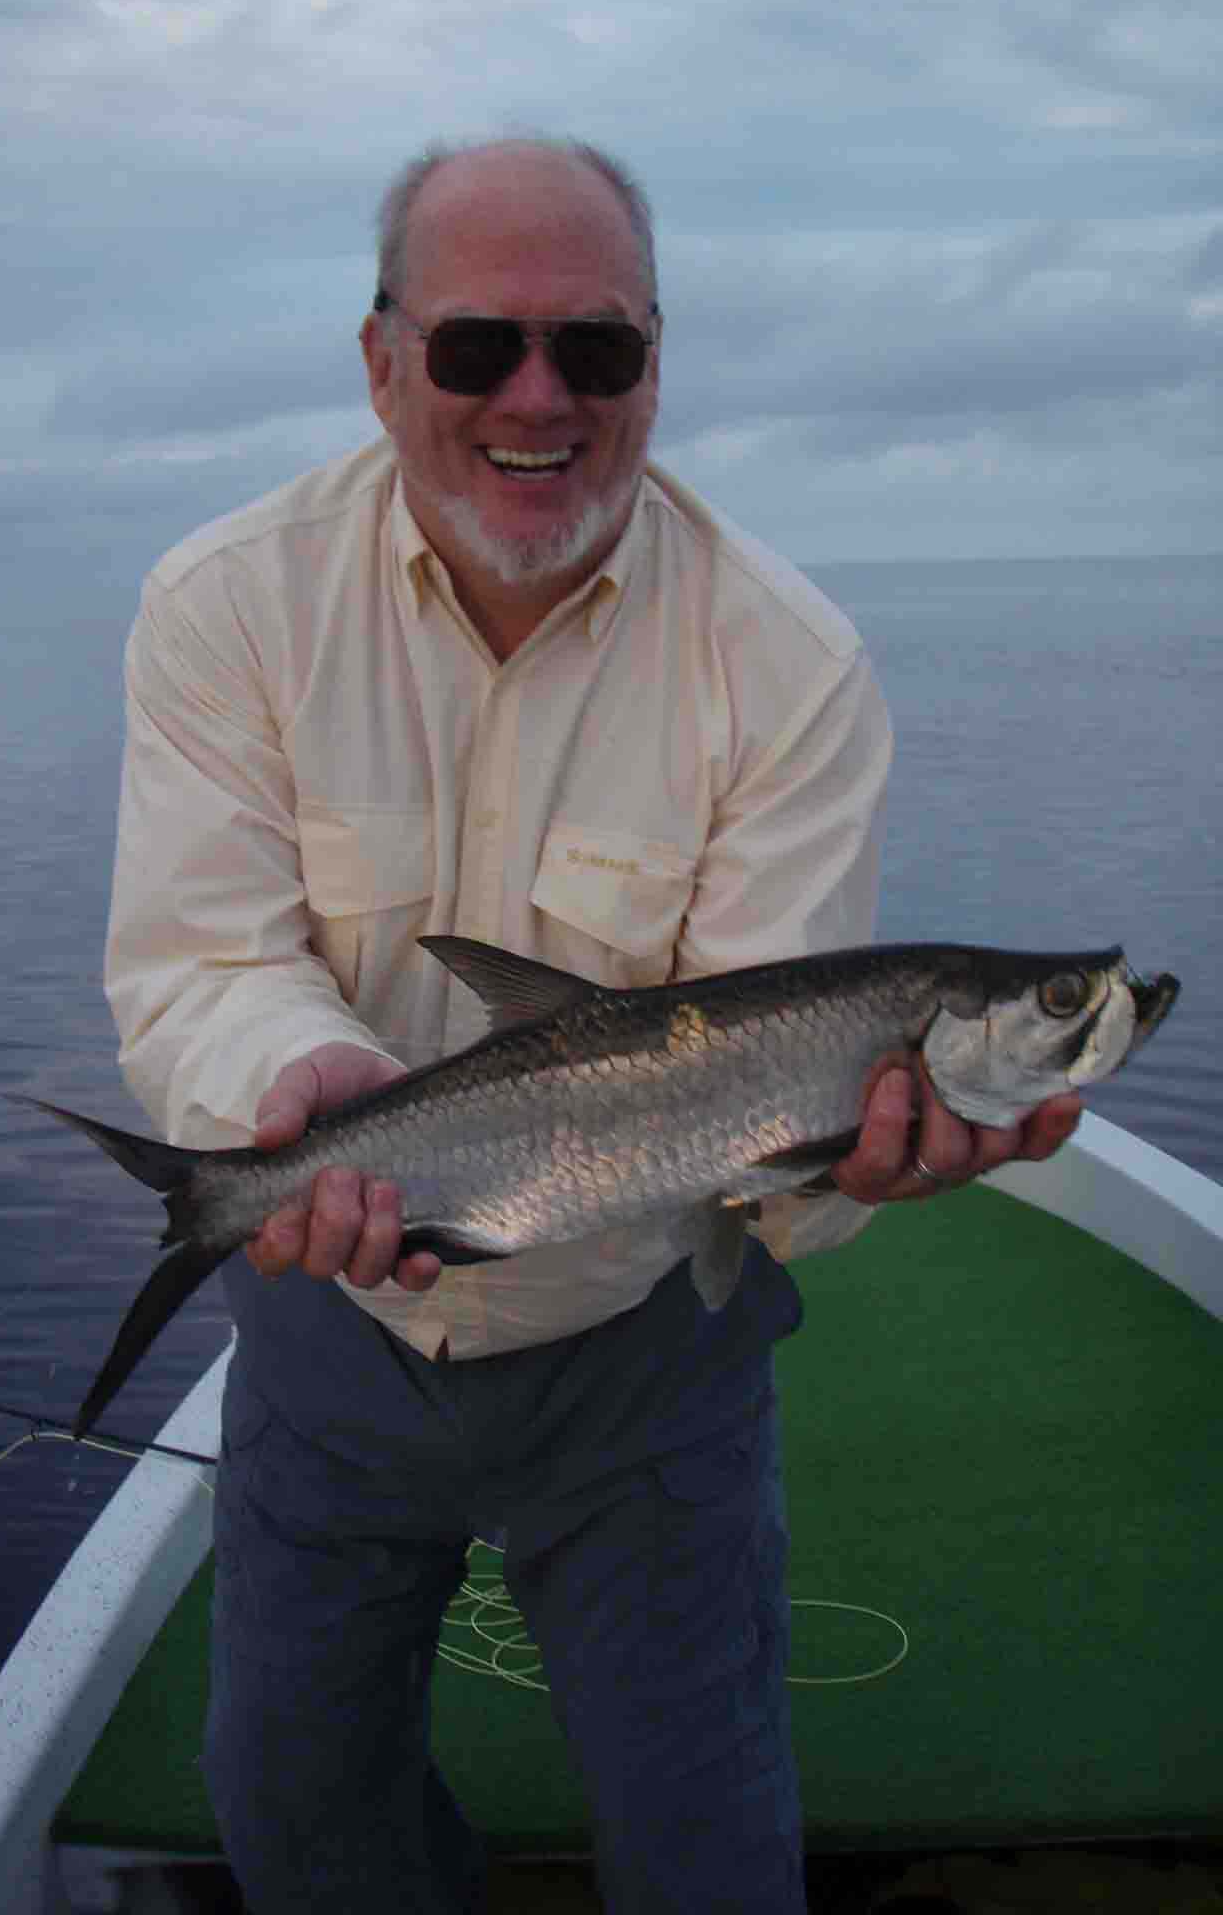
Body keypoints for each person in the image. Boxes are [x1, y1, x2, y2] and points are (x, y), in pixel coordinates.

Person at [103, 138, 1080, 1915]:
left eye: (598, 348)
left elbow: (773, 1111)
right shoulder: (227, 602)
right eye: (480, 346)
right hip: (329, 1331)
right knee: (294, 1809)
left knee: (705, 1831)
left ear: (656, 362)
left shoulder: (788, 662)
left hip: (645, 1354)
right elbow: (196, 959)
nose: (539, 399)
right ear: (383, 359)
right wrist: (287, 1091)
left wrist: (849, 1174)